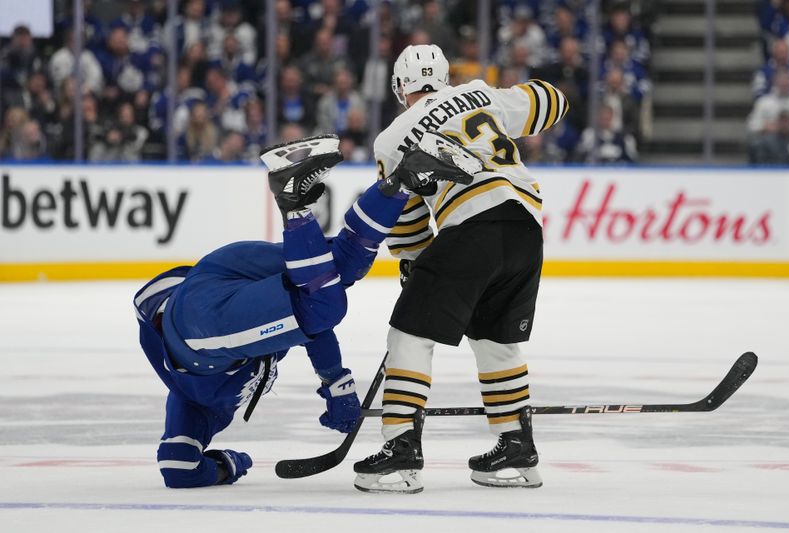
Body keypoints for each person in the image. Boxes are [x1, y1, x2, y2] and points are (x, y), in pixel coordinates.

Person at [134, 134, 473, 488]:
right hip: (215, 274)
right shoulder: (256, 335)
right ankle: (405, 178)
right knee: (337, 269)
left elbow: (178, 467)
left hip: (197, 330)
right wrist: (334, 381)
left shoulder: (193, 403)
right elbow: (309, 328)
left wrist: (233, 463)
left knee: (324, 306)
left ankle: (293, 199)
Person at [354, 44, 569, 493]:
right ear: (445, 77)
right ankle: (516, 449)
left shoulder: (393, 138)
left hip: (472, 227)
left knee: (410, 333)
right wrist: (516, 93)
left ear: (399, 88)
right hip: (525, 227)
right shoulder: (479, 94)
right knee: (495, 339)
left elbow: (406, 219)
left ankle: (400, 450)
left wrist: (416, 263)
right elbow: (553, 100)